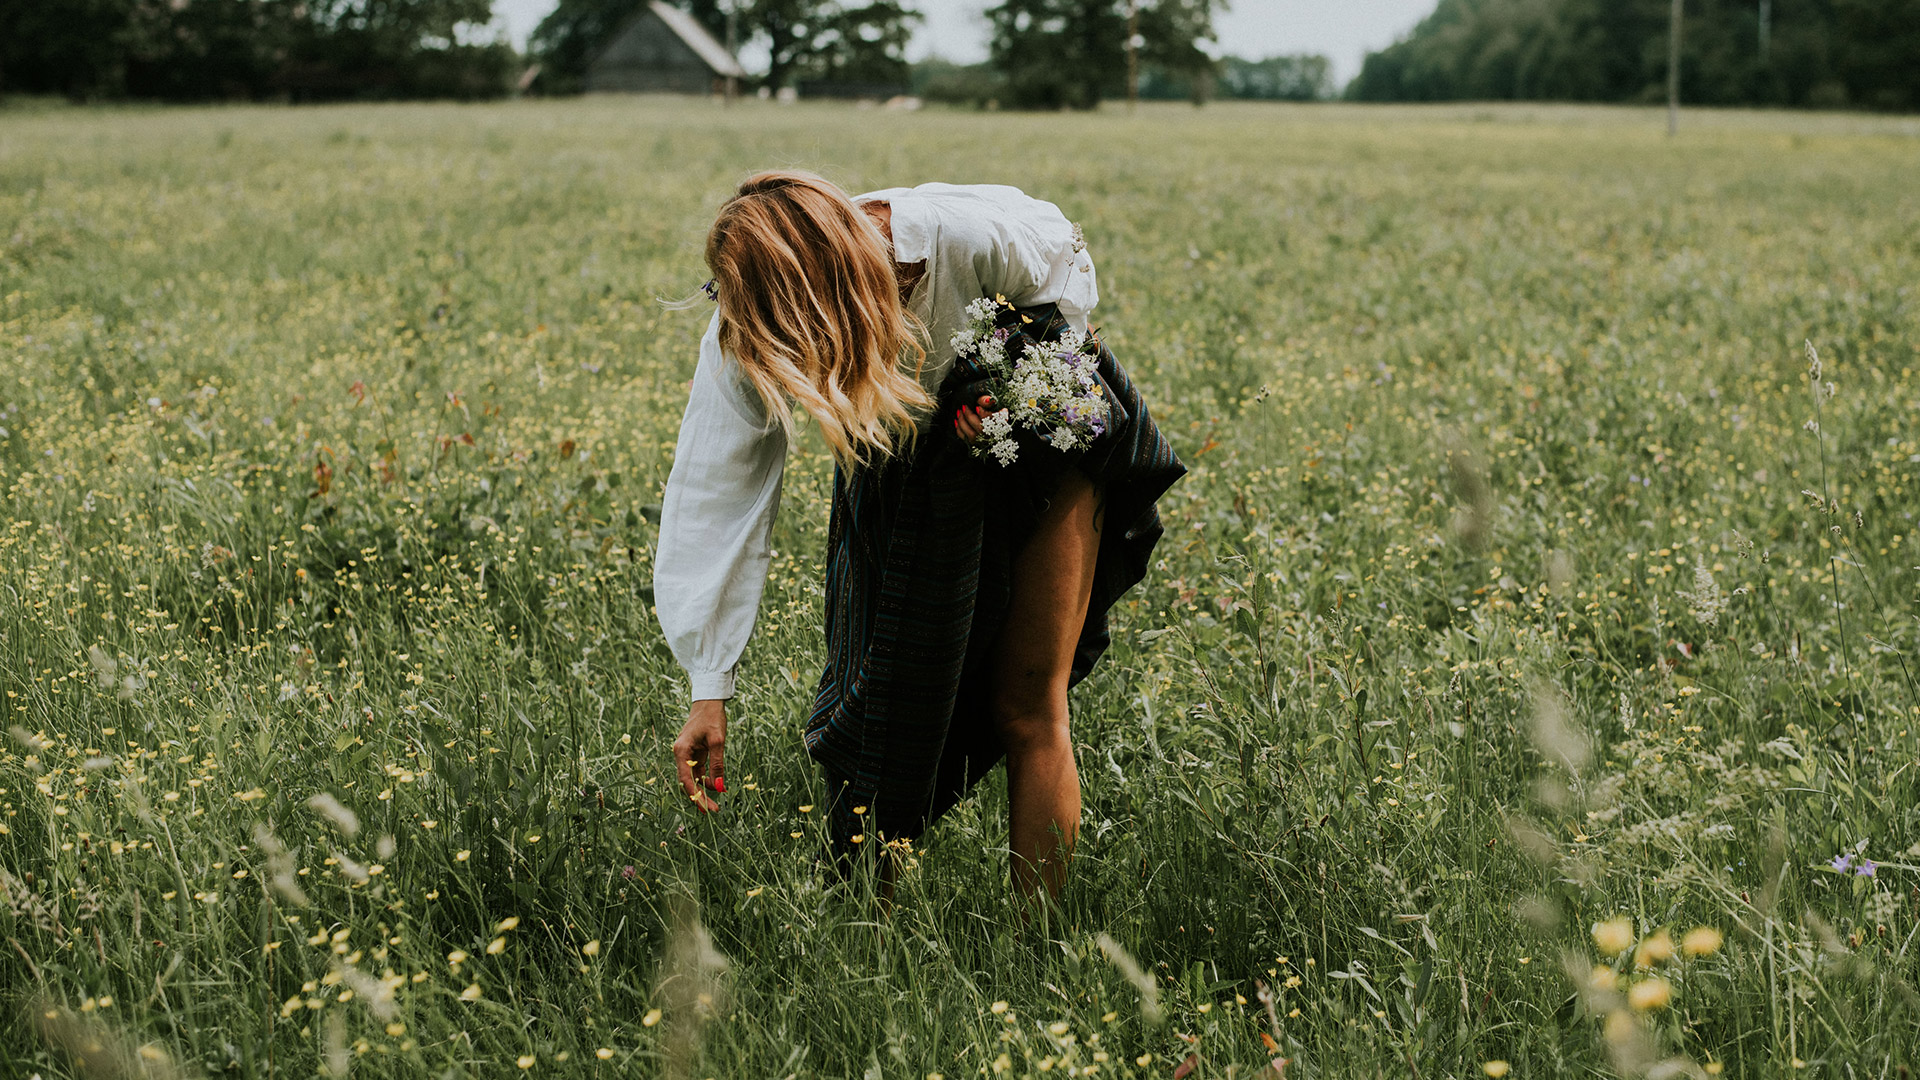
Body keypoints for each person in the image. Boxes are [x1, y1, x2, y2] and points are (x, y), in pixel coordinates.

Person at [655, 171, 1183, 901]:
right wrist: (708, 688)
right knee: (888, 698)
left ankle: (1039, 952)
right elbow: (717, 487)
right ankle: (864, 927)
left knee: (1029, 702)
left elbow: (1068, 286)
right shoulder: (749, 318)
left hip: (1044, 441)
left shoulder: (968, 239)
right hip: (904, 452)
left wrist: (1005, 391)